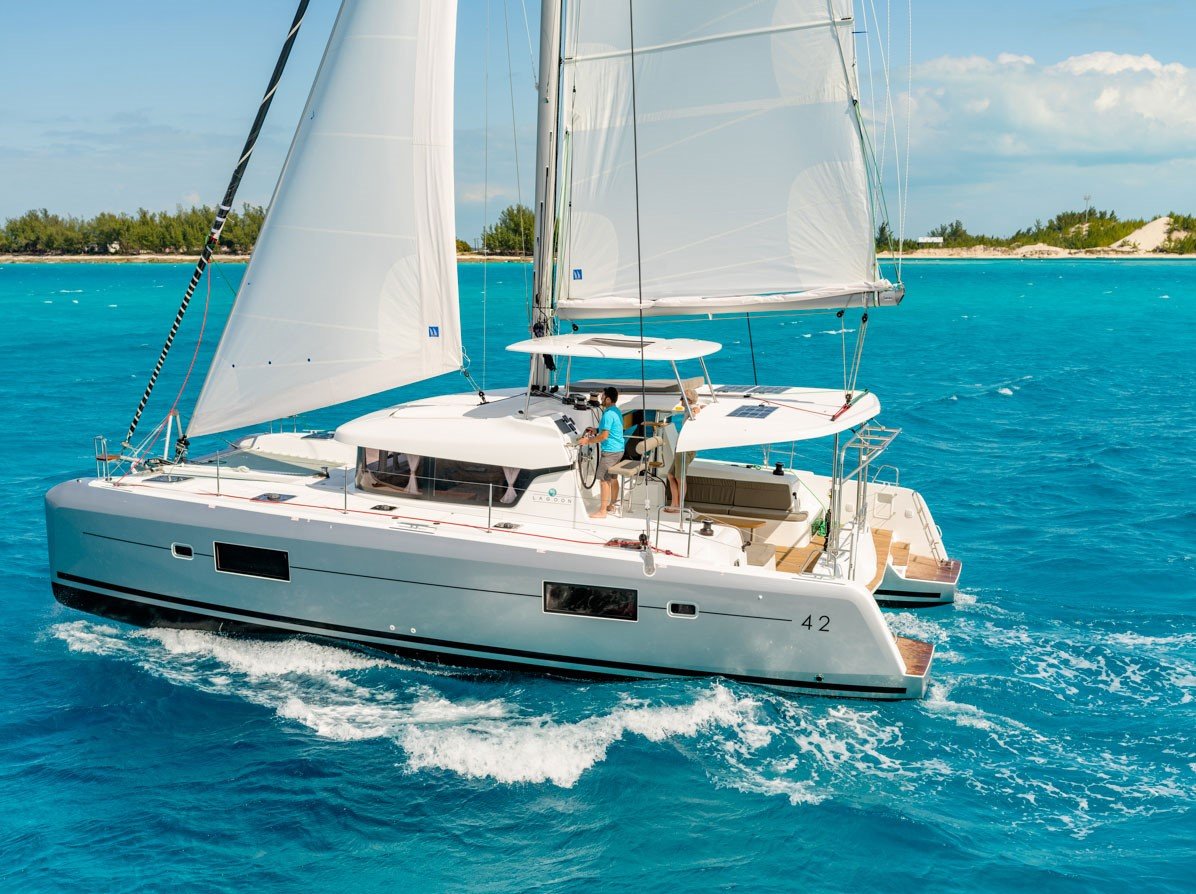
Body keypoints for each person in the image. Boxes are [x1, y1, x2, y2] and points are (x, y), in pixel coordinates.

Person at [578, 386, 625, 519]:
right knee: (614, 478)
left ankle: (603, 511)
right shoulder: (616, 411)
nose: (601, 398)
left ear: (608, 399)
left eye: (603, 397)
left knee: (604, 480)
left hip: (610, 452)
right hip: (619, 450)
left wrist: (587, 441)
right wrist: (596, 429)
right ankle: (612, 504)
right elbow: (608, 430)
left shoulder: (608, 414)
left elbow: (604, 436)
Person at [665, 389, 701, 514]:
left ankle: (678, 506)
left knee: (680, 478)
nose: (680, 400)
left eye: (682, 397)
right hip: (681, 447)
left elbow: (697, 411)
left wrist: (696, 410)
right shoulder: (688, 409)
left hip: (686, 448)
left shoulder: (692, 409)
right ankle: (675, 504)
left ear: (688, 400)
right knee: (671, 475)